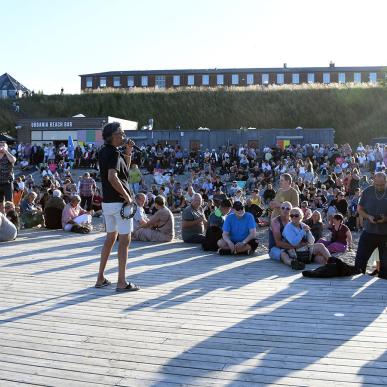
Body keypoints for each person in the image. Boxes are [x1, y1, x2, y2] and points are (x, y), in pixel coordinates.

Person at [95, 122, 140, 292]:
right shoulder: (113, 153)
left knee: (110, 238)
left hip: (107, 202)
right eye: (121, 133)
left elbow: (124, 173)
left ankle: (100, 278)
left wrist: (128, 153)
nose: (123, 135)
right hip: (119, 202)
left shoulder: (107, 152)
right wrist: (127, 196)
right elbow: (113, 177)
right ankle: (121, 282)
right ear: (113, 136)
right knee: (124, 241)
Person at [355, 172, 387, 278]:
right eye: (376, 184)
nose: (378, 187)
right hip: (369, 231)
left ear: (386, 182)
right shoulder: (367, 191)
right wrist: (368, 216)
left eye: (381, 185)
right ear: (373, 181)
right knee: (359, 262)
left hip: (385, 234)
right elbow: (359, 209)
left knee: (385, 267)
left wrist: (385, 219)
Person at [0, 141, 16, 214]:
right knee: (0, 202)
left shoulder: (8, 155)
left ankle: (12, 216)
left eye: (3, 145)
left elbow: (13, 160)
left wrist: (6, 151)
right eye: (0, 145)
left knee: (9, 201)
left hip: (7, 182)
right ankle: (2, 217)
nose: (1, 146)